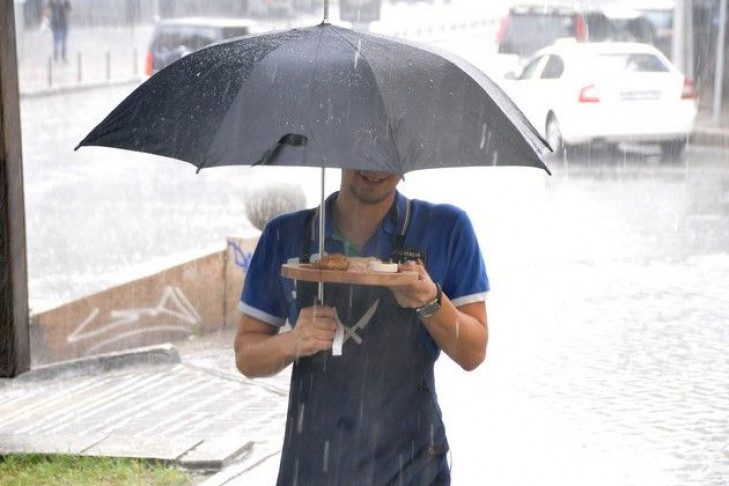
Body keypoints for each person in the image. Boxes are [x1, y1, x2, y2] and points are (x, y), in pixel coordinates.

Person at [234, 169, 489, 485]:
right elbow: (246, 355)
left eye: (386, 155)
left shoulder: (446, 229)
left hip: (412, 465)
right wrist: (293, 342)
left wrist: (431, 300)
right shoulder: (285, 235)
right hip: (314, 466)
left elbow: (473, 352)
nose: (375, 167)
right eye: (362, 150)